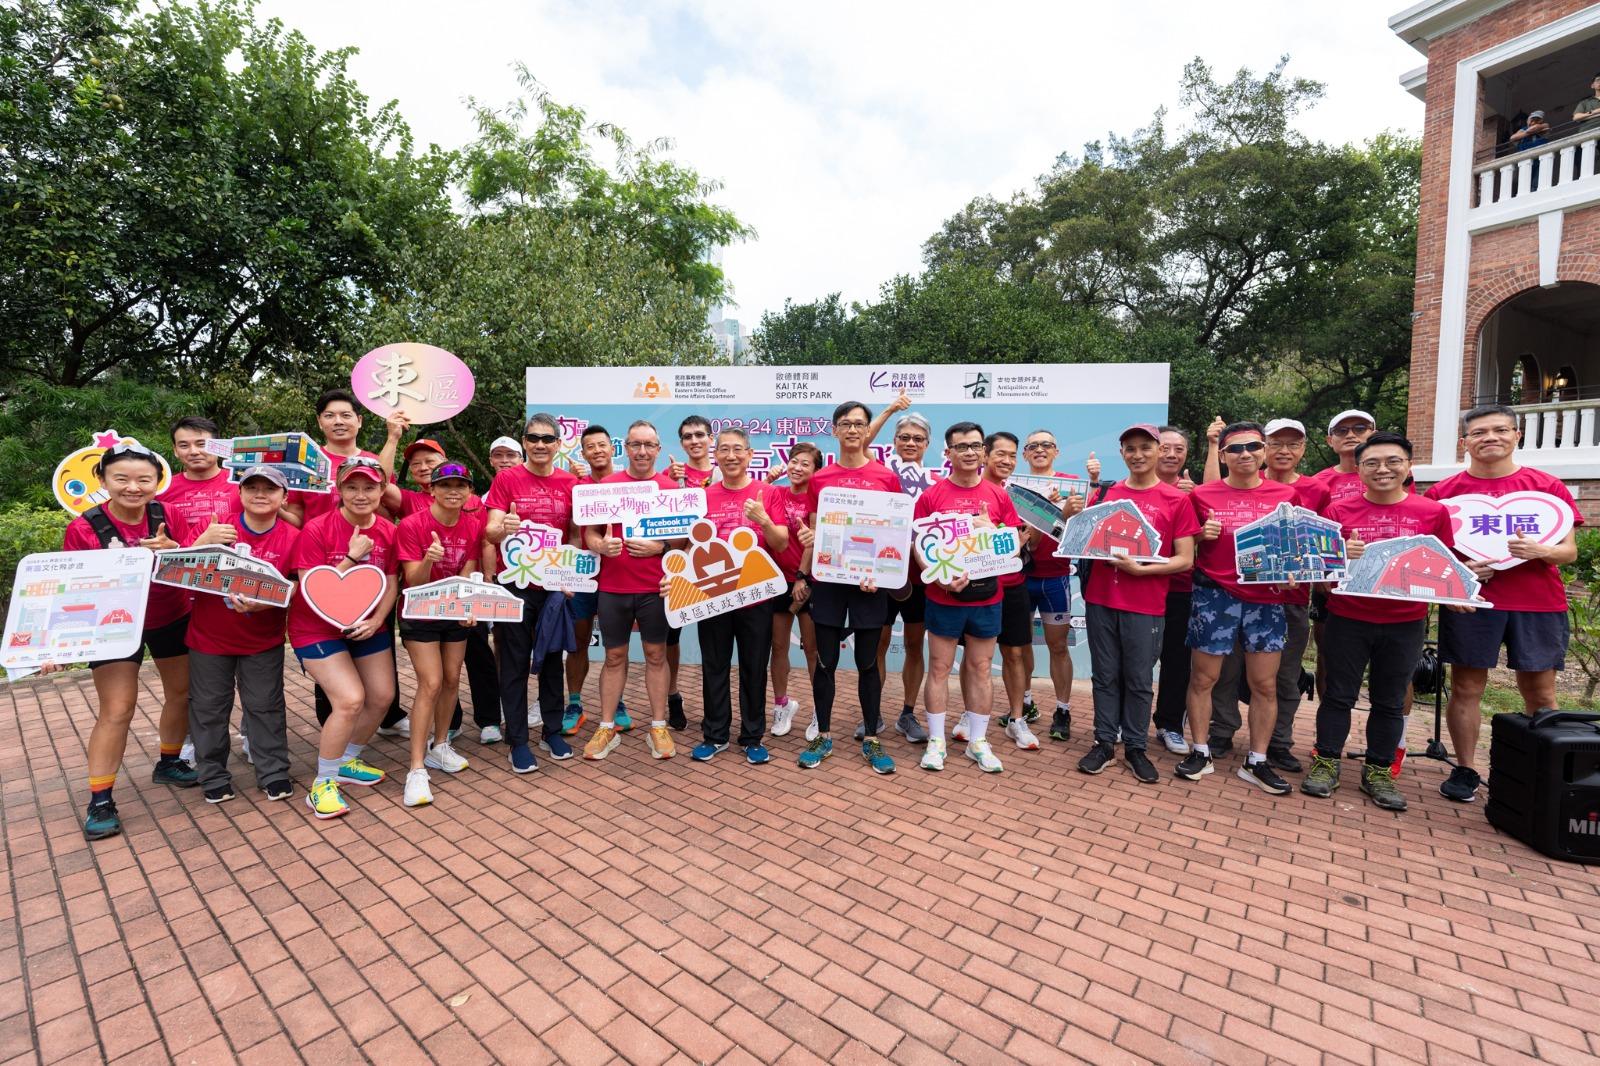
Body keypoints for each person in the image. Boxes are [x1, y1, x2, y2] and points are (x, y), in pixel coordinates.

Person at [1425, 404, 1581, 803]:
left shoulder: (1546, 488)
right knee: (1467, 685)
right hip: (1471, 603)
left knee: (1540, 690)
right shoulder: (1443, 494)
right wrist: (1462, 570)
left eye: (1499, 430)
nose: (1489, 438)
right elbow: (1431, 553)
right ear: (1464, 442)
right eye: (1479, 433)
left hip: (1538, 603)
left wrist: (1540, 549)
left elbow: (1569, 553)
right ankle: (1466, 770)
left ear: (1517, 435)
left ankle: (1539, 769)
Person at [1303, 433, 1451, 812]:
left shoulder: (1431, 513)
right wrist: (1340, 558)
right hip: (1348, 617)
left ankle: (1379, 771)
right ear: (1361, 471)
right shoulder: (1338, 513)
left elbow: (1447, 569)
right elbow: (1319, 576)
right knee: (1338, 694)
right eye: (1372, 463)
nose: (1383, 469)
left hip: (1406, 622)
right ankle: (1326, 763)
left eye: (1392, 461)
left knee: (1389, 700)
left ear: (1408, 467)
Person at [59, 443, 195, 840]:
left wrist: (176, 550)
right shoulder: (84, 528)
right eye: (121, 479)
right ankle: (100, 798)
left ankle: (168, 762)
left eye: (143, 479)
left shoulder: (168, 514)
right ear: (102, 481)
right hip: (113, 625)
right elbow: (73, 590)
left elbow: (196, 559)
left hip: (170, 613)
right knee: (117, 709)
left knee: (182, 692)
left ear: (157, 482)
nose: (133, 487)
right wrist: (59, 644)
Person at [1067, 425, 1199, 783]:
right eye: (1130, 449)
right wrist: (1069, 513)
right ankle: (1105, 743)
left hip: (1147, 602)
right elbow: (1079, 540)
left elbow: (1185, 559)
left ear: (1158, 451)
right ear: (1122, 453)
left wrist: (1141, 570)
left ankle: (1136, 748)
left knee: (1139, 679)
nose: (1138, 455)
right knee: (1105, 676)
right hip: (1100, 599)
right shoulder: (1107, 494)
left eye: (1145, 447)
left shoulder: (1177, 500)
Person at [1175, 422, 1298, 794]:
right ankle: (1200, 751)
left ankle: (1256, 761)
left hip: (1265, 599)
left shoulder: (1286, 494)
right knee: (1202, 680)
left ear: (1263, 451)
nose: (1245, 454)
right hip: (1215, 596)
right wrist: (1200, 535)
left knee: (1265, 685)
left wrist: (1294, 571)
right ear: (1223, 454)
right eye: (1235, 448)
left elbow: (1294, 546)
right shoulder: (1201, 495)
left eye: (1252, 447)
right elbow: (1182, 542)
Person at [1204, 418, 1326, 771]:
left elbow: (1317, 543)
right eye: (1275, 443)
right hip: (1231, 596)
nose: (1283, 450)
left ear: (1303, 448)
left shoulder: (1311, 491)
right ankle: (1222, 731)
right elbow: (1209, 504)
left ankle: (1278, 742)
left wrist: (1306, 573)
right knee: (1225, 671)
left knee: (1283, 678)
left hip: (1287, 600)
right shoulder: (1230, 487)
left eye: (1294, 443)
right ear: (1265, 449)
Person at [287, 456, 399, 820]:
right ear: (339, 489)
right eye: (352, 487)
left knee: (382, 697)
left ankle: (348, 761)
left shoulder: (388, 529)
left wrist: (379, 619)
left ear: (382, 490)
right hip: (315, 628)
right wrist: (352, 557)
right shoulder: (317, 529)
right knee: (350, 700)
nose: (361, 495)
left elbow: (392, 579)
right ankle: (323, 783)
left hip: (366, 625)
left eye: (369, 487)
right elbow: (310, 588)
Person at [795, 402, 903, 773]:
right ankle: (823, 734)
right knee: (825, 662)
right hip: (829, 583)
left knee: (868, 664)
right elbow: (813, 532)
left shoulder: (886, 477)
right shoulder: (820, 479)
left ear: (868, 429)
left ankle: (872, 738)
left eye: (859, 424)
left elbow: (893, 532)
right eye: (846, 424)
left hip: (870, 586)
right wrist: (802, 574)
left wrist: (884, 573)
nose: (853, 430)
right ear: (835, 430)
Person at [914, 421, 1022, 774]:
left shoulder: (998, 495)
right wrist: (943, 580)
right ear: (947, 453)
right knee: (940, 669)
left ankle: (978, 742)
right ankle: (936, 742)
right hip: (943, 597)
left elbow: (1013, 544)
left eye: (976, 446)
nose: (970, 452)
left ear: (984, 452)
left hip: (987, 597)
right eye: (962, 447)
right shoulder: (931, 496)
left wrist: (992, 532)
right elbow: (919, 547)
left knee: (979, 668)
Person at [187, 466, 298, 805]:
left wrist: (264, 605)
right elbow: (175, 568)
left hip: (261, 639)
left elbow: (297, 584)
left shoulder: (294, 536)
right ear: (240, 492)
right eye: (252, 487)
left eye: (270, 488)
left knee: (265, 706)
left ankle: (274, 772)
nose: (260, 494)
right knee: (208, 709)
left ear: (284, 496)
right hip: (209, 638)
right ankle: (213, 775)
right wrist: (201, 543)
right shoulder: (216, 529)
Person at [685, 428, 788, 764]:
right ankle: (715, 735)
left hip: (755, 597)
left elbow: (781, 543)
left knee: (754, 667)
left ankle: (752, 736)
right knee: (714, 665)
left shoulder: (769, 493)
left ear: (750, 455)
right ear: (715, 455)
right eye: (724, 450)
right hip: (712, 596)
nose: (730, 456)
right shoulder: (704, 494)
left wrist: (763, 520)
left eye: (737, 450)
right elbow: (691, 546)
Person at [485, 413, 581, 773]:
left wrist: (568, 575)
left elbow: (573, 534)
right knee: (513, 663)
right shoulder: (507, 479)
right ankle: (519, 740)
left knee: (553, 660)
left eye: (547, 438)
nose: (540, 444)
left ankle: (552, 731)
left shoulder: (570, 482)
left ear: (558, 444)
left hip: (554, 587)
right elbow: (491, 530)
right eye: (533, 438)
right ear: (524, 442)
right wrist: (503, 527)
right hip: (515, 586)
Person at [581, 421, 677, 761]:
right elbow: (589, 535)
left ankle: (658, 725)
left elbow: (684, 540)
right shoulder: (607, 485)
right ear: (626, 448)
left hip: (656, 588)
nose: (642, 451)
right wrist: (600, 545)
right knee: (614, 657)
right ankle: (606, 727)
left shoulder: (669, 487)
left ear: (658, 448)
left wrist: (660, 547)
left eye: (649, 445)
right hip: (613, 587)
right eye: (635, 444)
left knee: (656, 655)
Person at [396, 463, 486, 807]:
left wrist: (466, 608)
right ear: (431, 489)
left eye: (460, 485)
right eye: (445, 484)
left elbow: (468, 570)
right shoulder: (411, 525)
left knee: (451, 679)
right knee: (430, 683)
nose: (453, 491)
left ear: (468, 492)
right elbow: (412, 581)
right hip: (419, 610)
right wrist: (429, 559)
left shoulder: (473, 524)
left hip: (452, 612)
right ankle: (416, 769)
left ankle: (440, 745)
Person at [1014, 428, 1098, 742]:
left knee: (1058, 646)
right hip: (1022, 576)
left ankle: (1062, 710)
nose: (1039, 449)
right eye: (1033, 446)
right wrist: (1050, 512)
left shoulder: (1071, 486)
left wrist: (1092, 485)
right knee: (1020, 646)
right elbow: (1027, 542)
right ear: (1024, 454)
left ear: (1056, 451)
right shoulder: (1017, 487)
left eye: (1046, 444)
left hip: (1056, 578)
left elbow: (1082, 528)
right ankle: (1024, 704)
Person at [980, 431, 1042, 751]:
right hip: (979, 588)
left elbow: (1031, 542)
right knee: (977, 657)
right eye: (1000, 454)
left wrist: (1032, 532)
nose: (1006, 460)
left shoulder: (1021, 495)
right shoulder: (973, 490)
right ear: (984, 454)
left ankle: (1017, 719)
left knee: (1015, 653)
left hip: (1015, 585)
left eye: (1012, 455)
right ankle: (970, 715)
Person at [877, 412, 934, 744]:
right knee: (877, 646)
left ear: (927, 444)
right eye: (904, 438)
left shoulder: (937, 483)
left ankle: (907, 714)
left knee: (914, 645)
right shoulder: (881, 477)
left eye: (917, 439)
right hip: (881, 577)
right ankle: (873, 714)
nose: (910, 443)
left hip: (921, 579)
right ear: (894, 442)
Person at [662, 414, 717, 731]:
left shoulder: (726, 470)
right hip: (678, 566)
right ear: (681, 443)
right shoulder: (671, 476)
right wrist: (671, 482)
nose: (694, 441)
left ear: (711, 438)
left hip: (715, 567)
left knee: (714, 644)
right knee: (671, 638)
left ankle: (715, 713)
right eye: (687, 436)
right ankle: (673, 698)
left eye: (700, 434)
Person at [564, 423, 618, 736]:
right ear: (583, 453)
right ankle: (574, 703)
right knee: (578, 642)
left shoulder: (629, 484)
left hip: (618, 577)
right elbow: (573, 534)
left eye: (602, 445)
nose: (597, 451)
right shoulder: (579, 488)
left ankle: (618, 701)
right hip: (584, 575)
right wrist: (573, 569)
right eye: (590, 447)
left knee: (616, 646)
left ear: (612, 449)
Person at [1151, 426, 1198, 753]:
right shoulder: (1128, 490)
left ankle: (1169, 725)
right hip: (1138, 586)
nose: (1171, 454)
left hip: (1181, 589)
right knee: (1134, 661)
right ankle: (1127, 723)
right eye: (1165, 447)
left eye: (1178, 449)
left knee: (1177, 661)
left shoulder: (1195, 494)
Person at [769, 442, 820, 739]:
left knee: (812, 649)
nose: (797, 467)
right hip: (776, 579)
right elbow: (749, 499)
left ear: (815, 470)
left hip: (808, 580)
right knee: (778, 647)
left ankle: (818, 711)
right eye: (793, 461)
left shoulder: (819, 497)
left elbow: (812, 540)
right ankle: (781, 705)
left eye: (805, 463)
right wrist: (768, 480)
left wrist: (803, 577)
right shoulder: (776, 492)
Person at [160, 415, 242, 526]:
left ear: (218, 446)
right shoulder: (163, 488)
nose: (194, 451)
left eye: (201, 444)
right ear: (175, 450)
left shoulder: (241, 482)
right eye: (184, 445)